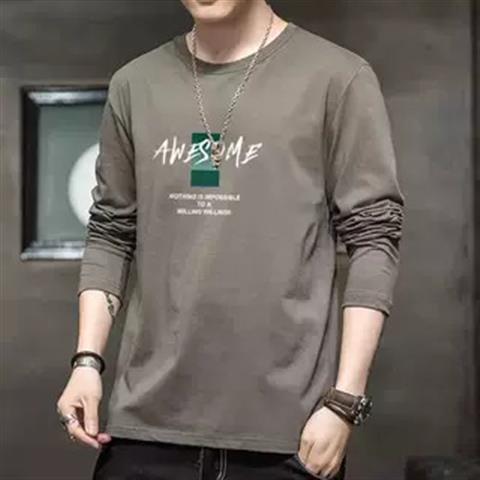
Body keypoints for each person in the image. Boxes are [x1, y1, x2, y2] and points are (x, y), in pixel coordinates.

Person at [56, 0, 405, 479]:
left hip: (289, 436)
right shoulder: (135, 84)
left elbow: (374, 237)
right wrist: (86, 361)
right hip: (146, 429)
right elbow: (111, 231)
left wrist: (344, 400)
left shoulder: (337, 77)